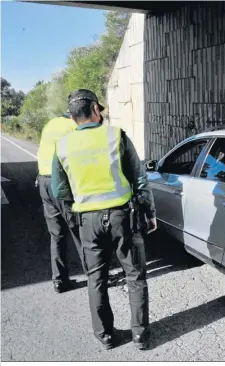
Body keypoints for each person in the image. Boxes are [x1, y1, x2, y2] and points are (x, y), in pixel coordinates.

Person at [51, 89, 157, 350]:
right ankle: (140, 335)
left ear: (72, 117)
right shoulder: (116, 135)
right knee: (135, 275)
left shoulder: (62, 146)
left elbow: (59, 191)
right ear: (96, 110)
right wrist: (149, 211)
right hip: (123, 217)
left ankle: (106, 336)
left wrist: (77, 214)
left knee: (96, 279)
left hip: (88, 220)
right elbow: (139, 177)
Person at [36, 112, 86, 294]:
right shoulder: (74, 127)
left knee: (56, 235)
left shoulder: (50, 123)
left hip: (44, 182)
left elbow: (42, 151)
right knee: (79, 229)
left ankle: (59, 280)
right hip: (61, 182)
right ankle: (94, 274)